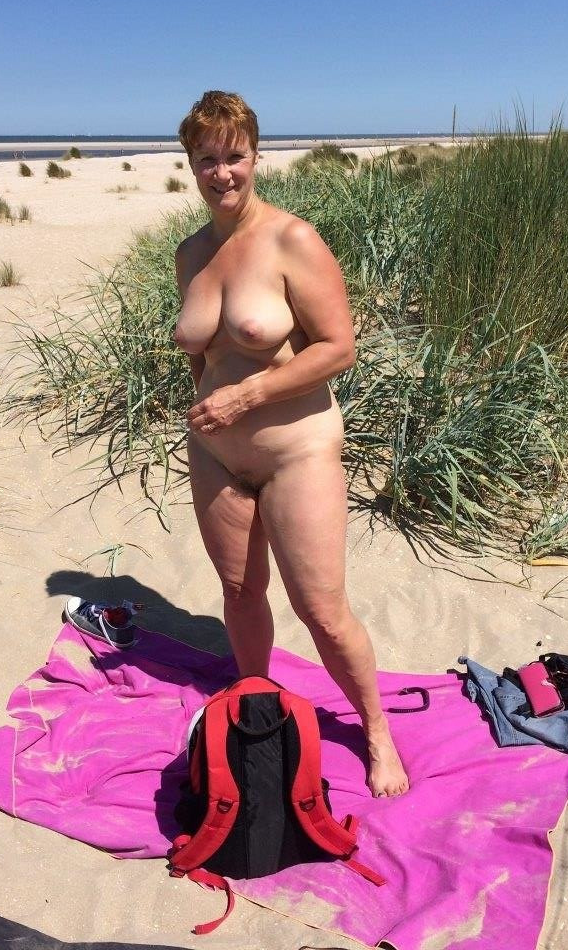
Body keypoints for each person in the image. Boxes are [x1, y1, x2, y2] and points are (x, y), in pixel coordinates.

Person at [173, 91, 408, 797]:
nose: (222, 173)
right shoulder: (191, 253)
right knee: (240, 590)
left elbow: (338, 348)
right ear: (190, 163)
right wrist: (209, 403)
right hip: (216, 455)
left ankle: (376, 731)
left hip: (296, 452)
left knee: (322, 611)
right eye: (207, 159)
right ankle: (256, 707)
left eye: (234, 156)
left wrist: (246, 397)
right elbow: (202, 352)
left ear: (255, 156)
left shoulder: (292, 240)